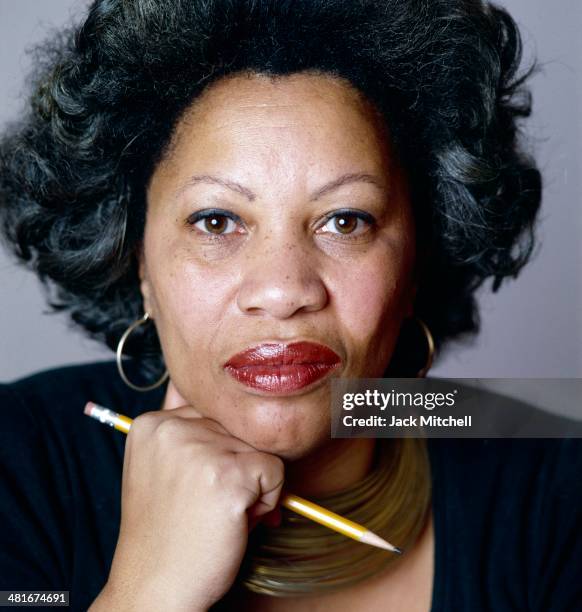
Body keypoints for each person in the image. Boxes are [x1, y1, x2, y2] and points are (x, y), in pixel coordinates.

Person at [0, 0, 580, 610]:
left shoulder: (556, 477)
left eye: (344, 220)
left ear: (416, 259)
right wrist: (148, 591)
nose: (282, 291)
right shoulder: (19, 462)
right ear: (139, 260)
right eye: (217, 220)